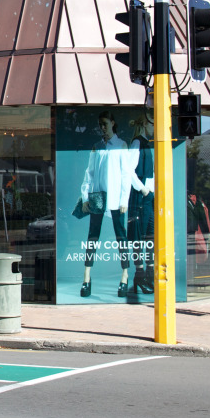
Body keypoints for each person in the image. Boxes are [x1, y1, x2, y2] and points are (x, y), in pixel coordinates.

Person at [78, 111, 135, 297]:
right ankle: (86, 276)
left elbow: (126, 174)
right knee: (92, 236)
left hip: (116, 198)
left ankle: (125, 275)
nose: (102, 127)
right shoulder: (97, 146)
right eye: (100, 124)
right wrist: (85, 196)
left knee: (121, 237)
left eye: (105, 123)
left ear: (112, 123)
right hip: (97, 197)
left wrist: (124, 199)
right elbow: (90, 173)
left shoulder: (121, 145)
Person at [125, 111, 155, 295]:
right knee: (139, 238)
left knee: (149, 237)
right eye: (152, 124)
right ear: (145, 124)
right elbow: (128, 170)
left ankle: (149, 274)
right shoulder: (137, 142)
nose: (154, 127)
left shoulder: (145, 144)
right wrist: (142, 189)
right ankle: (140, 275)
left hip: (149, 198)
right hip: (141, 198)